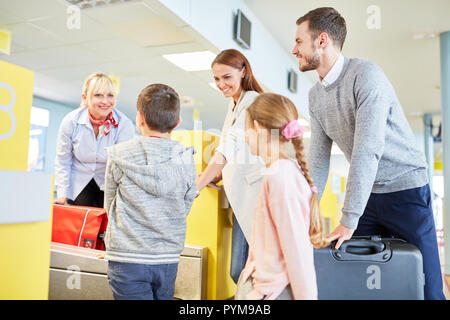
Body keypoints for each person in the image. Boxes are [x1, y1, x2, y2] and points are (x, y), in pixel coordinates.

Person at [292, 7, 445, 300]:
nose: (294, 49)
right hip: (369, 196)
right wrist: (303, 211)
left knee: (427, 284)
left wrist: (349, 218)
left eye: (299, 41)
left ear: (321, 40)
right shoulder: (315, 97)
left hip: (407, 191)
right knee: (355, 273)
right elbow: (318, 161)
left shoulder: (366, 76)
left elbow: (367, 151)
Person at [103, 84, 197, 300]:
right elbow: (187, 202)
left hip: (126, 256)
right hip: (167, 258)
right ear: (178, 121)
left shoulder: (118, 155)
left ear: (139, 119)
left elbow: (109, 203)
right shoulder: (185, 158)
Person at [235, 93, 328, 300]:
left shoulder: (281, 176)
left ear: (258, 128)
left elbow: (297, 250)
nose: (245, 136)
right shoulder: (279, 172)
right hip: (266, 288)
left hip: (274, 293)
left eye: (245, 129)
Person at [196, 49, 265, 284]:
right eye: (216, 78)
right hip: (240, 197)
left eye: (226, 77)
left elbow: (229, 147)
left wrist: (199, 183)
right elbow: (236, 154)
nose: (221, 84)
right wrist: (218, 176)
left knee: (244, 270)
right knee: (243, 270)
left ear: (243, 71)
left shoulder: (253, 101)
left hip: (254, 198)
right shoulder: (234, 104)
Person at [54, 72, 134, 208]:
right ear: (85, 97)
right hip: (78, 184)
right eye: (98, 95)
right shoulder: (71, 121)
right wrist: (62, 194)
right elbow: (63, 161)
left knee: (105, 227)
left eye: (110, 95)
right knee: (80, 225)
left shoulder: (123, 124)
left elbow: (122, 166)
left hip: (109, 183)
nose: (105, 101)